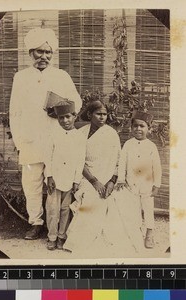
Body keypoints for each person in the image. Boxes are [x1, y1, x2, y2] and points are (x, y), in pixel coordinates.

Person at [9, 27, 82, 240]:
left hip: (56, 140)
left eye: (48, 53)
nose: (44, 57)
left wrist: (60, 108)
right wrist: (20, 141)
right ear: (30, 53)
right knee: (31, 183)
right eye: (39, 52)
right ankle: (36, 222)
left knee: (59, 182)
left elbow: (75, 102)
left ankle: (59, 226)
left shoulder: (61, 76)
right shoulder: (20, 77)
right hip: (31, 140)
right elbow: (15, 111)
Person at [63, 100, 123, 256]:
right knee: (91, 196)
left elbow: (118, 161)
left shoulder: (111, 134)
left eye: (105, 114)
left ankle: (95, 238)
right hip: (87, 177)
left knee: (105, 198)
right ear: (90, 115)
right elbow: (78, 161)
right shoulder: (81, 133)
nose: (102, 117)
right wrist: (94, 181)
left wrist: (111, 182)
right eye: (98, 114)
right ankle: (83, 240)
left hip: (107, 176)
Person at [116, 111, 162, 248]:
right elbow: (122, 162)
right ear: (131, 128)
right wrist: (121, 179)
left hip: (147, 185)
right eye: (135, 126)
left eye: (142, 126)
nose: (138, 129)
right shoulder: (128, 144)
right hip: (131, 184)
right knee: (133, 209)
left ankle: (149, 233)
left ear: (149, 128)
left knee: (148, 208)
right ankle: (135, 232)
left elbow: (157, 167)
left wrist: (157, 185)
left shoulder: (151, 146)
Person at [45, 100, 86, 251]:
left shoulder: (79, 137)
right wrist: (49, 176)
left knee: (65, 209)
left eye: (68, 116)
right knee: (52, 209)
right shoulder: (53, 134)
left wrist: (76, 180)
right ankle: (52, 237)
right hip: (54, 179)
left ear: (75, 116)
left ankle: (62, 236)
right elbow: (47, 156)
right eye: (61, 118)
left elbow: (80, 160)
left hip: (69, 179)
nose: (65, 120)